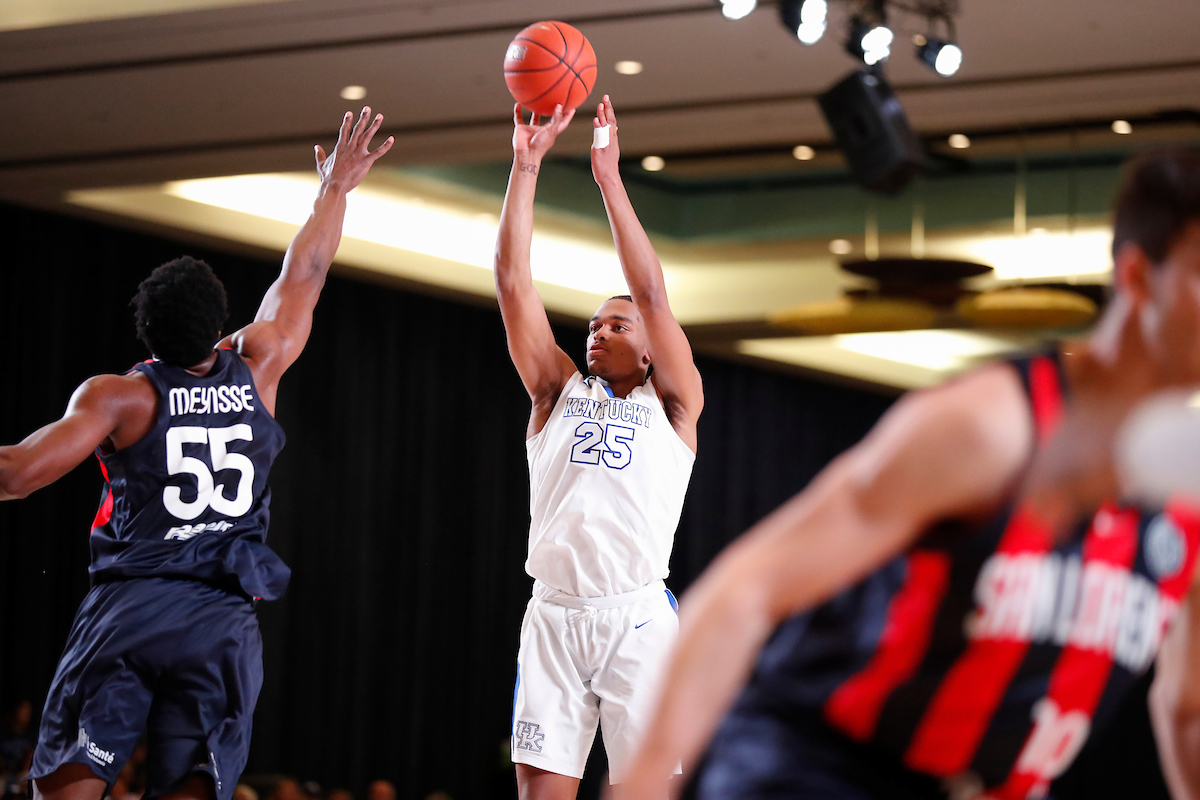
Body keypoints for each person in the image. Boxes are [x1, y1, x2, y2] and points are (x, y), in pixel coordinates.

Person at [618, 147, 1200, 800]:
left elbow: (1189, 706)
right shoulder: (990, 427)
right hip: (815, 770)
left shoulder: (1187, 492)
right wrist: (643, 786)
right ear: (1139, 277)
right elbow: (746, 590)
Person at [0, 108, 393, 800]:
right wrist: (335, 189)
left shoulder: (120, 398)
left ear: (146, 332)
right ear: (219, 326)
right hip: (221, 620)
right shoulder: (261, 362)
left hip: (131, 609)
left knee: (66, 787)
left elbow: (17, 475)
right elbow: (306, 269)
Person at [494, 95, 704, 800]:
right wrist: (526, 167)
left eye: (618, 325)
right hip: (553, 614)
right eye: (592, 325)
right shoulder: (556, 392)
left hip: (636, 619)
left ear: (650, 351)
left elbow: (651, 292)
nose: (599, 331)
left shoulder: (672, 407)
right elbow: (512, 282)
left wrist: (609, 178)